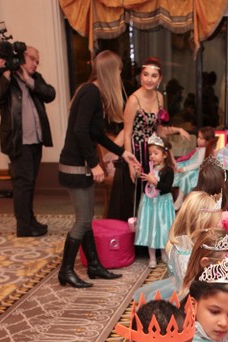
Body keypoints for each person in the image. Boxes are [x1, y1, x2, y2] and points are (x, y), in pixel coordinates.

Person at [58, 51, 139, 289]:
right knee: (83, 220)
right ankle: (66, 271)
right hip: (75, 165)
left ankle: (93, 266)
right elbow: (80, 131)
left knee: (87, 218)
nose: (120, 75)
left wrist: (121, 152)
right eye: (119, 71)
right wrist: (94, 163)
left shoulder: (93, 93)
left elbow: (96, 134)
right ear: (111, 72)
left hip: (78, 163)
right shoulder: (90, 92)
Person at [108, 57, 190, 221]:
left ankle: (151, 230)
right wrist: (131, 164)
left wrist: (170, 154)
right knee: (135, 196)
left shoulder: (159, 97)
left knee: (154, 192)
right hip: (136, 152)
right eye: (145, 74)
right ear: (140, 76)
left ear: (160, 79)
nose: (149, 79)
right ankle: (133, 233)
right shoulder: (133, 100)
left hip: (153, 152)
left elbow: (159, 129)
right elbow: (127, 134)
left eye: (154, 76)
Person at [0, 45, 55, 237]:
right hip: (18, 141)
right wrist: (7, 74)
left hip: (36, 140)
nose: (35, 64)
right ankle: (24, 227)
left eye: (37, 61)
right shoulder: (4, 78)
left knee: (30, 183)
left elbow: (50, 94)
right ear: (20, 57)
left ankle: (30, 221)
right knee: (23, 184)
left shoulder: (35, 78)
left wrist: (28, 80)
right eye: (32, 59)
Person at [135, 134, 175, 268]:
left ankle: (164, 253)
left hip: (162, 204)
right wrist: (139, 174)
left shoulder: (168, 171)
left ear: (165, 155)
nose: (152, 156)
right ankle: (152, 257)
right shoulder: (148, 168)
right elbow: (144, 185)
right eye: (150, 154)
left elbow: (167, 188)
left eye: (155, 153)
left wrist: (155, 182)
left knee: (163, 228)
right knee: (150, 228)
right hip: (150, 204)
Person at [173, 126, 218, 207]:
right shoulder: (200, 149)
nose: (198, 139)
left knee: (185, 178)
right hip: (191, 166)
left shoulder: (203, 150)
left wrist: (185, 168)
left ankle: (180, 199)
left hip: (195, 170)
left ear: (207, 141)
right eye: (198, 137)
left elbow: (198, 164)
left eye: (201, 138)